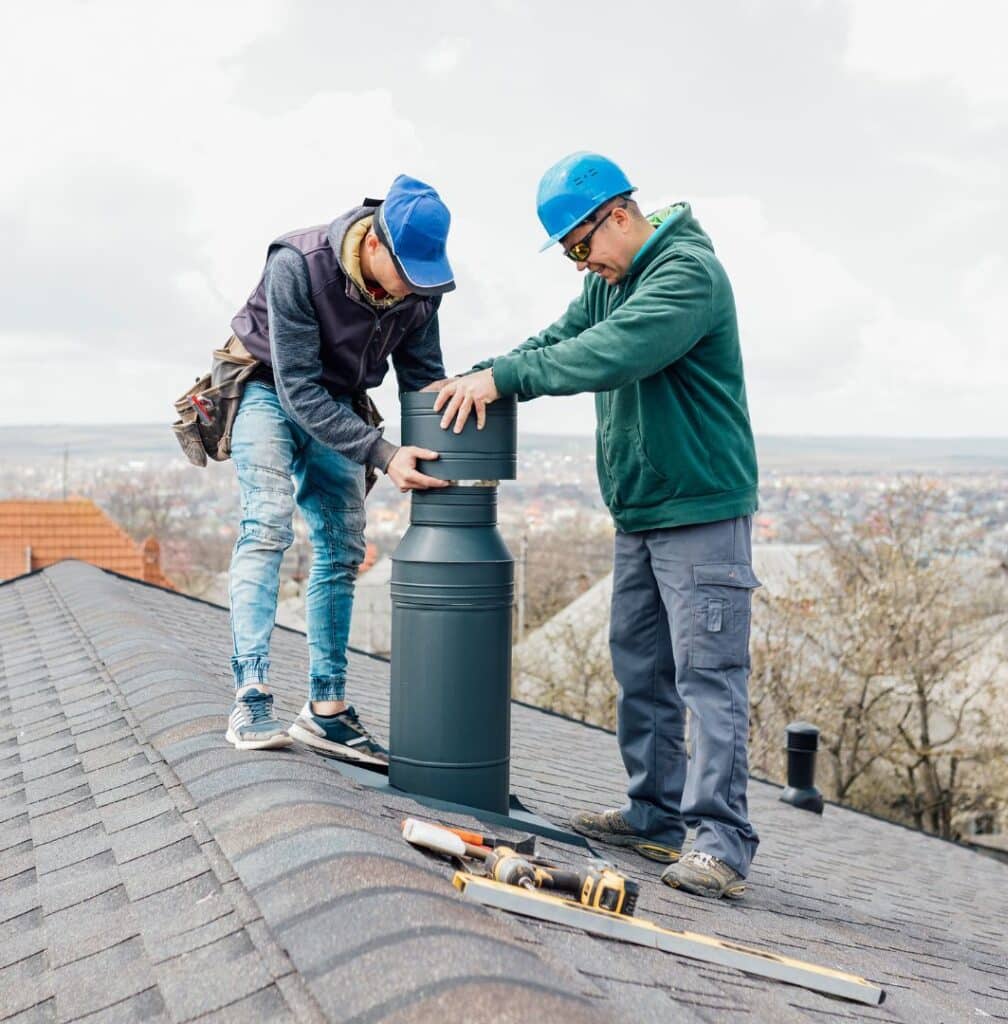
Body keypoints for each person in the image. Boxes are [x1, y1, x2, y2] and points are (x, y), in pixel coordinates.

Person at [433, 153, 760, 899]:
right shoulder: (606, 284)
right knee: (641, 669)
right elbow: (555, 341)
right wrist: (479, 374)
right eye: (570, 255)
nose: (579, 265)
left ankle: (722, 841)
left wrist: (505, 381)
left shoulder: (686, 275)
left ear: (618, 215)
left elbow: (609, 356)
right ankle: (654, 814)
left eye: (581, 246)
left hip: (702, 511)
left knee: (709, 677)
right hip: (642, 510)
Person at [224, 175, 453, 766]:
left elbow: (423, 381)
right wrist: (382, 453)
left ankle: (325, 710)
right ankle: (251, 695)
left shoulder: (420, 292)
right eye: (407, 275)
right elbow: (297, 388)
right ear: (374, 246)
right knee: (267, 526)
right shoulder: (298, 264)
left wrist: (446, 444)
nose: (412, 292)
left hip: (341, 400)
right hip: (269, 387)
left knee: (342, 549)